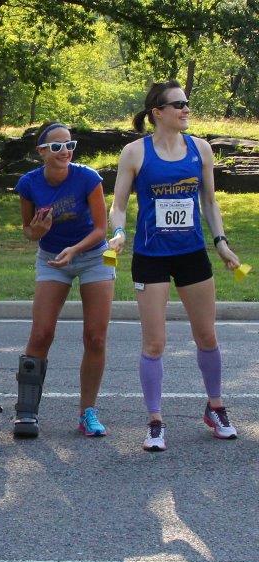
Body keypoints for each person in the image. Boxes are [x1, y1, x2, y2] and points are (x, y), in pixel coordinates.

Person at [109, 80, 242, 452]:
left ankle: (215, 407)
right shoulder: (135, 152)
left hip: (191, 254)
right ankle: (154, 420)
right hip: (150, 256)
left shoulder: (200, 149)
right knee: (154, 342)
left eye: (187, 103)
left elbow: (210, 203)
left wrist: (221, 243)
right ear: (158, 112)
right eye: (179, 104)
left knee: (207, 336)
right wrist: (118, 233)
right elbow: (118, 204)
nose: (186, 109)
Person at [13, 122, 114, 438]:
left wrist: (75, 249)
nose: (65, 152)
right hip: (52, 259)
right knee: (42, 333)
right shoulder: (29, 184)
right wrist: (37, 232)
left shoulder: (87, 177)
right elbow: (28, 231)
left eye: (70, 145)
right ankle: (27, 412)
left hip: (93, 255)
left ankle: (88, 413)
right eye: (57, 147)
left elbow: (101, 229)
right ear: (42, 151)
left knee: (95, 337)